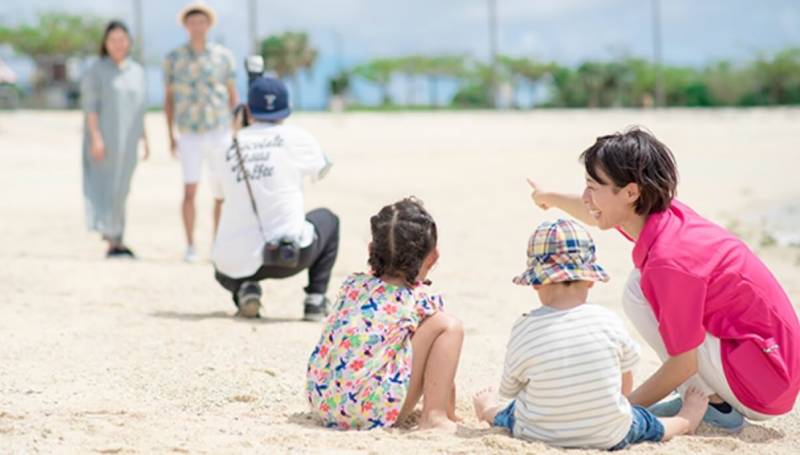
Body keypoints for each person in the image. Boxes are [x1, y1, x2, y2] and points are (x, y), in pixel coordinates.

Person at [528, 126, 800, 431]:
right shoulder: (662, 216)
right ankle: (708, 396)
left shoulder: (669, 261)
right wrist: (548, 197)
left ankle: (715, 407)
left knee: (638, 290)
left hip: (765, 383)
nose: (586, 196)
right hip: (770, 366)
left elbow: (683, 364)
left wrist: (619, 410)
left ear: (631, 192)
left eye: (593, 186)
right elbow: (594, 210)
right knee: (639, 286)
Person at [472, 218, 707, 450]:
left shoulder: (524, 328)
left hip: (538, 433)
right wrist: (619, 403)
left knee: (511, 412)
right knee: (647, 424)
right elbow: (626, 373)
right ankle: (684, 421)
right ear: (591, 280)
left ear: (535, 282)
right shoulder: (609, 321)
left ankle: (488, 410)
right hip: (609, 434)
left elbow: (511, 388)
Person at [306, 197, 464, 432]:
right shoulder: (419, 301)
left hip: (323, 400)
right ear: (433, 257)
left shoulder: (353, 286)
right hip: (371, 411)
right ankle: (435, 415)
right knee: (449, 327)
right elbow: (440, 362)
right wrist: (449, 409)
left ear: (371, 250)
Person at [211, 76, 339, 321]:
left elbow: (218, 194)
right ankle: (315, 300)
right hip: (289, 257)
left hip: (233, 262)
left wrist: (237, 131)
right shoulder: (297, 137)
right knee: (329, 220)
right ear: (286, 108)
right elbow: (323, 169)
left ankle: (244, 288)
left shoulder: (225, 145)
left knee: (222, 257)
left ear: (247, 110)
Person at [163, 0, 239, 262]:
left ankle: (218, 244)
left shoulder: (223, 57)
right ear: (186, 25)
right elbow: (169, 99)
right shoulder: (173, 59)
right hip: (189, 131)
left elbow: (232, 94)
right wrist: (169, 134)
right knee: (190, 190)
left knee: (221, 191)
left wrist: (237, 131)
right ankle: (190, 245)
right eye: (193, 22)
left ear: (208, 25)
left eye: (202, 22)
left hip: (219, 129)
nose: (197, 26)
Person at [81, 20, 149, 258]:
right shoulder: (96, 70)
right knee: (105, 187)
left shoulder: (138, 72)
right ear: (105, 43)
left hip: (129, 141)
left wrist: (145, 139)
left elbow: (140, 109)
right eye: (113, 40)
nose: (118, 45)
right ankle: (112, 238)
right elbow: (90, 107)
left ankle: (118, 236)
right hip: (105, 138)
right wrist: (95, 138)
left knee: (123, 188)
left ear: (129, 42)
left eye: (122, 40)